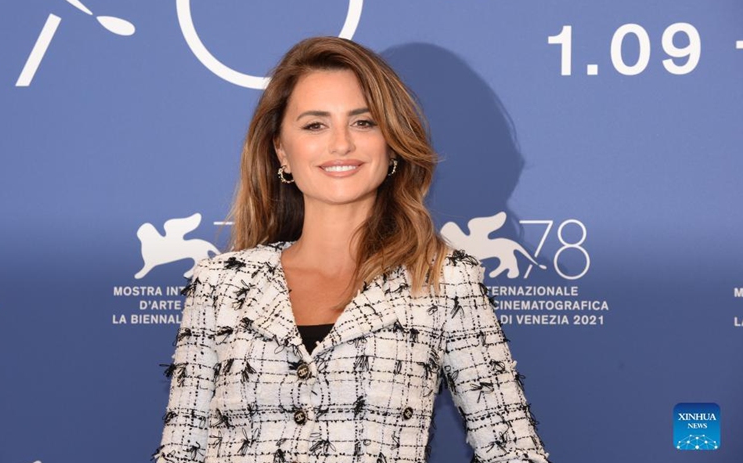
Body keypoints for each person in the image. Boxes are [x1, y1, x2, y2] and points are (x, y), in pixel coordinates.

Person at [153, 36, 550, 463]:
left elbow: (512, 449)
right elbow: (181, 451)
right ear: (281, 150)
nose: (341, 144)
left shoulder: (443, 279)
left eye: (363, 122)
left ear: (392, 142)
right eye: (315, 125)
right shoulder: (221, 284)